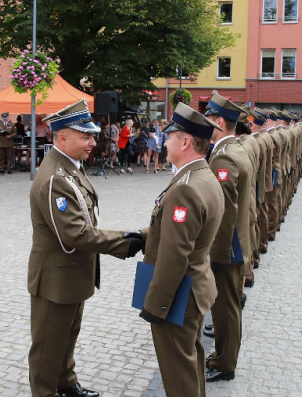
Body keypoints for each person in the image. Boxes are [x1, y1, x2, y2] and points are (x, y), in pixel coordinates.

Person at [28, 99, 143, 397]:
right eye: (86, 136)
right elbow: (76, 234)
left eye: (91, 135)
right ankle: (45, 391)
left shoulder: (69, 168)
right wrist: (123, 242)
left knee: (66, 337)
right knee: (48, 346)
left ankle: (66, 383)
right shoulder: (56, 178)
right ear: (62, 137)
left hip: (71, 274)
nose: (93, 142)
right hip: (56, 278)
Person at [135, 103, 224, 397]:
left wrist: (155, 306)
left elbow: (175, 256)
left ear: (185, 141)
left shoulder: (186, 187)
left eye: (170, 135)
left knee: (178, 375)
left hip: (179, 295)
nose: (164, 140)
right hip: (196, 287)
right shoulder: (204, 176)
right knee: (190, 363)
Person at [202, 92, 254, 383]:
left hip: (228, 246)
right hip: (238, 242)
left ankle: (224, 362)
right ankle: (224, 358)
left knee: (225, 310)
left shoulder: (223, 156)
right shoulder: (235, 149)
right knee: (229, 306)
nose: (206, 123)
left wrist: (218, 256)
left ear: (219, 121)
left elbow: (224, 212)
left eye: (209, 118)